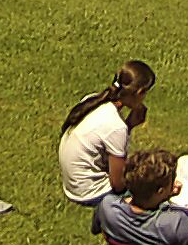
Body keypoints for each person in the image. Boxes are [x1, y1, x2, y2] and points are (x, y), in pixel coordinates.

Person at [93, 149, 188, 245]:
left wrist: (166, 193)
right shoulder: (177, 223)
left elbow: (96, 229)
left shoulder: (107, 206)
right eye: (172, 180)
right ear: (160, 191)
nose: (175, 183)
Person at [59, 60, 157, 205]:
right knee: (153, 185)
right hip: (89, 193)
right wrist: (129, 126)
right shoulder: (116, 126)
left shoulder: (93, 100)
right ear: (139, 92)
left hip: (73, 185)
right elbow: (118, 184)